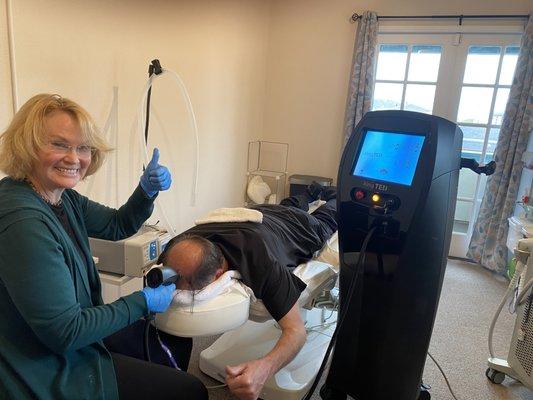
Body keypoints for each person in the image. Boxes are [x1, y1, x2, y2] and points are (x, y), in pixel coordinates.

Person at [0, 94, 207, 400]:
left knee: (171, 338)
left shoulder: (60, 196)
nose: (74, 158)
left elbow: (116, 225)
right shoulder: (23, 223)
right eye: (58, 144)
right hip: (43, 363)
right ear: (27, 145)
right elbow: (65, 333)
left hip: (74, 332)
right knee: (189, 390)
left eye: (82, 147)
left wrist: (146, 191)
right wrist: (142, 302)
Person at [158, 184, 338, 400]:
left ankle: (332, 193)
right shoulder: (177, 247)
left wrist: (264, 368)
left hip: (299, 227)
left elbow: (296, 332)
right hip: (259, 215)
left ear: (218, 275)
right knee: (287, 205)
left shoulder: (260, 262)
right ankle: (310, 191)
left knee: (326, 217)